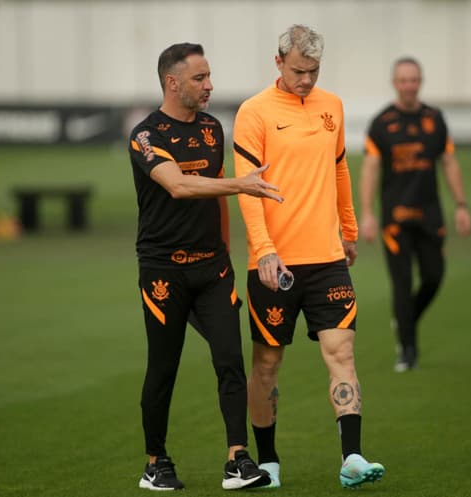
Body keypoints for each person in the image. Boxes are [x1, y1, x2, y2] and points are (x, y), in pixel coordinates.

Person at [233, 25, 385, 489]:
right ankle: (270, 462)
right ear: (278, 62)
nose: (306, 80)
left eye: (314, 71)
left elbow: (339, 169)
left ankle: (352, 458)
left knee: (342, 352)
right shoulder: (254, 112)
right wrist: (263, 251)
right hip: (274, 262)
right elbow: (248, 189)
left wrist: (350, 230)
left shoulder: (331, 106)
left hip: (327, 257)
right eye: (299, 70)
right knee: (266, 363)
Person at [128, 42, 282, 491]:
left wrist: (228, 260)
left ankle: (238, 458)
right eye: (199, 78)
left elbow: (215, 199)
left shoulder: (214, 129)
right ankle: (156, 461)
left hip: (213, 269)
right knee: (163, 367)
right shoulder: (145, 135)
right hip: (164, 273)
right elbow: (177, 185)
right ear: (172, 83)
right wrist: (242, 185)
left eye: (209, 76)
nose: (209, 85)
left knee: (231, 361)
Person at [359, 56, 471, 372]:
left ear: (420, 82)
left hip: (430, 216)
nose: (409, 85)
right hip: (395, 220)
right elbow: (369, 168)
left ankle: (405, 319)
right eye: (403, 80)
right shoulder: (382, 123)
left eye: (414, 80)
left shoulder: (435, 119)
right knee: (402, 282)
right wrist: (367, 213)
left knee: (434, 276)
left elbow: (449, 162)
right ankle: (407, 351)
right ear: (395, 83)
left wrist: (461, 205)